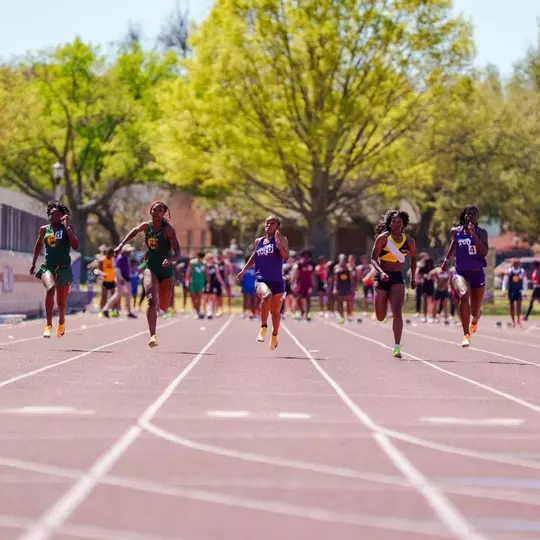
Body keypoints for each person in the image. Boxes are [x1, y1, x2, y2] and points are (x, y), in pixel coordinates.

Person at [114, 201, 181, 348]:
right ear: (150, 211)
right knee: (151, 300)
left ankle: (162, 307)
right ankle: (152, 336)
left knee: (163, 306)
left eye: (160, 210)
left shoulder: (168, 229)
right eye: (154, 210)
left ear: (164, 213)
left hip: (166, 271)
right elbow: (134, 230)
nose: (156, 213)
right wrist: (121, 245)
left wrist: (170, 260)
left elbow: (178, 252)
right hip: (151, 267)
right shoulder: (146, 226)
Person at [237, 216, 289, 350]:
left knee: (276, 313)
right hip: (261, 278)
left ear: (277, 226)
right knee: (266, 295)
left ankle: (274, 335)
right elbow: (255, 256)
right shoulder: (258, 241)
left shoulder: (282, 239)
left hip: (277, 280)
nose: (269, 225)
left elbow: (285, 256)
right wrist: (244, 270)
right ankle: (263, 326)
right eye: (267, 223)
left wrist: (278, 244)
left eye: (273, 223)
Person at [370, 210, 417, 358]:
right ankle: (380, 303)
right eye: (394, 221)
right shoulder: (382, 239)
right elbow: (373, 258)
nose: (397, 224)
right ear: (389, 223)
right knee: (380, 316)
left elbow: (414, 259)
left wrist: (413, 277)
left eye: (400, 222)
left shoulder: (409, 242)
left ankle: (397, 346)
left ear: (404, 224)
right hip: (382, 277)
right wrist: (381, 272)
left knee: (397, 311)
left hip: (397, 278)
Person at [30, 201, 79, 338]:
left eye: (56, 214)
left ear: (62, 217)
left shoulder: (67, 229)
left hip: (63, 269)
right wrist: (34, 264)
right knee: (50, 288)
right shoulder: (44, 229)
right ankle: (48, 325)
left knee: (61, 303)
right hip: (48, 266)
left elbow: (75, 246)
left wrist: (67, 228)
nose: (52, 217)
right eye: (51, 214)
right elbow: (38, 245)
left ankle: (61, 322)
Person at [441, 205, 489, 347]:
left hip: (477, 273)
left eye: (474, 214)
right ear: (464, 216)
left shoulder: (482, 232)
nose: (470, 216)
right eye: (468, 214)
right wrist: (446, 260)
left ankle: (475, 320)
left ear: (477, 217)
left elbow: (484, 252)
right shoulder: (456, 232)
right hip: (460, 272)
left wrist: (473, 235)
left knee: (475, 311)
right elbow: (454, 244)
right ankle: (466, 334)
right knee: (463, 294)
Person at [102, 244, 137, 319]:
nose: (130, 252)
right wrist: (121, 279)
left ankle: (128, 312)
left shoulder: (125, 258)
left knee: (128, 296)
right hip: (122, 280)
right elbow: (117, 270)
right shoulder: (120, 258)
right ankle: (105, 309)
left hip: (126, 280)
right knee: (117, 295)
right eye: (128, 251)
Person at [502, 258, 528, 327]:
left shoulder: (522, 272)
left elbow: (525, 282)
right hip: (511, 291)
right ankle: (513, 321)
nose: (515, 265)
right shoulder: (509, 271)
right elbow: (505, 281)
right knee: (512, 307)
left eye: (517, 264)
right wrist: (504, 291)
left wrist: (525, 292)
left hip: (518, 291)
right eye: (514, 264)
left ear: (519, 264)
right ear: (512, 264)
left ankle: (518, 320)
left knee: (519, 306)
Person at [292, 250, 315, 321]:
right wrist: (294, 283)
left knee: (308, 298)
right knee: (299, 297)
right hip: (300, 283)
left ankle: (307, 313)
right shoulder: (298, 264)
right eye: (305, 256)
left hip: (308, 284)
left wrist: (313, 283)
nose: (306, 257)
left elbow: (313, 275)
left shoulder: (311, 264)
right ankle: (301, 312)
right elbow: (295, 274)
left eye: (308, 256)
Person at [333, 254, 354, 324]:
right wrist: (335, 288)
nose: (343, 261)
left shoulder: (349, 268)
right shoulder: (337, 267)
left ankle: (348, 316)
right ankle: (341, 316)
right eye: (341, 259)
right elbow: (335, 280)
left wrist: (352, 288)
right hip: (340, 287)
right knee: (340, 302)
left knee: (348, 301)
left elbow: (351, 279)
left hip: (347, 287)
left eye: (344, 260)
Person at [204, 252, 225, 319]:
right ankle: (205, 312)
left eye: (212, 258)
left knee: (213, 297)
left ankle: (211, 312)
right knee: (206, 299)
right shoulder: (205, 266)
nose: (212, 259)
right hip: (205, 283)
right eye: (210, 258)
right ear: (207, 259)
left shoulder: (215, 266)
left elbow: (218, 275)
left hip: (213, 284)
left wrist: (222, 283)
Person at [186, 251, 206, 319]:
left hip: (201, 282)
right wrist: (187, 281)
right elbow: (188, 272)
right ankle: (196, 310)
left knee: (199, 297)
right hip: (193, 282)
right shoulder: (192, 262)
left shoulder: (204, 263)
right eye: (199, 257)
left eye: (202, 258)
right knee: (194, 298)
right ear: (197, 257)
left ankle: (198, 311)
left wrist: (208, 282)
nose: (200, 259)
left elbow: (206, 272)